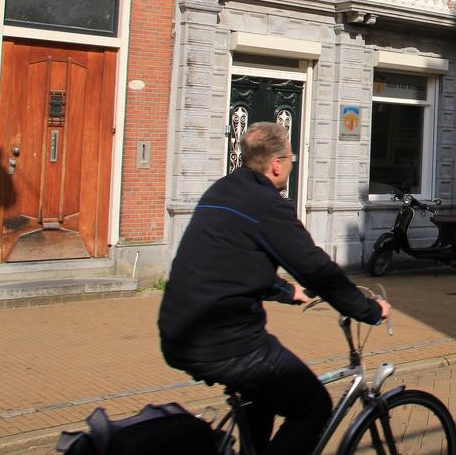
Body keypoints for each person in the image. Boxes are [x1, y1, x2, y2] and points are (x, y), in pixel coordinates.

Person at [158, 122, 390, 455]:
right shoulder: (265, 204)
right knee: (313, 407)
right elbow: (316, 268)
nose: (292, 164)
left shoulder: (222, 190)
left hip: (179, 330)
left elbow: (232, 263)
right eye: (291, 158)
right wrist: (368, 309)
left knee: (262, 400)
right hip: (226, 342)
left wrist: (284, 291)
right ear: (277, 164)